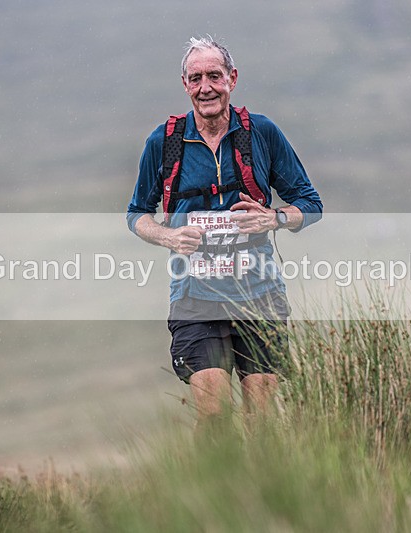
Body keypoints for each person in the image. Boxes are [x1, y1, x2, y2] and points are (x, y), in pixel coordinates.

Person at [127, 36, 322, 429]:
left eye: (214, 76)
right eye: (196, 78)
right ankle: (216, 490)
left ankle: (263, 491)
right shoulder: (163, 142)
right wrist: (168, 237)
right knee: (214, 418)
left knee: (262, 421)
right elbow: (136, 215)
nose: (206, 87)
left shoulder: (261, 134)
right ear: (185, 84)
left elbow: (310, 204)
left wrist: (274, 218)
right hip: (195, 298)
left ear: (232, 78)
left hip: (260, 295)